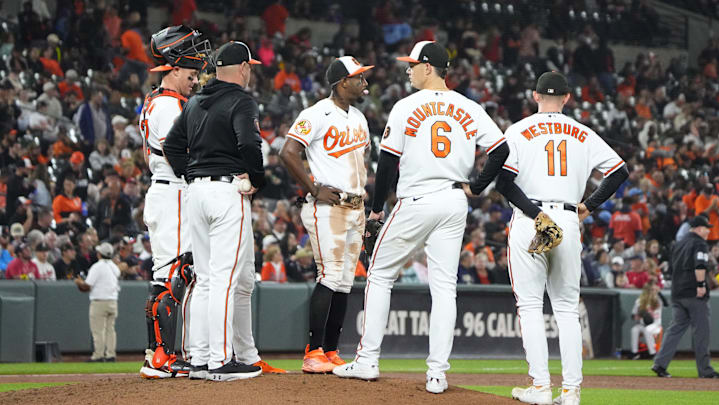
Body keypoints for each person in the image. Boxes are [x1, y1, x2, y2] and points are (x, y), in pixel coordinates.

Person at [333, 41, 516, 394]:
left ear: (428, 67)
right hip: (453, 199)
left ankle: (368, 360)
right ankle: (437, 374)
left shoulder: (406, 106)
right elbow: (501, 150)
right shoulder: (468, 106)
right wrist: (476, 187)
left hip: (417, 198)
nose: (408, 70)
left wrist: (376, 209)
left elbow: (387, 163)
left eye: (413, 65)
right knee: (445, 287)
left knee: (381, 273)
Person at [502, 72, 628, 405]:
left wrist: (534, 214)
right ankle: (571, 392)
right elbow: (619, 171)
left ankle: (541, 387)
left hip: (532, 217)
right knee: (567, 310)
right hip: (569, 218)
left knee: (530, 306)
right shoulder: (584, 133)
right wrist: (589, 205)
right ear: (568, 98)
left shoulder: (517, 130)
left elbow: (504, 182)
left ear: (535, 96)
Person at [164, 41, 284, 381]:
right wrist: (257, 178)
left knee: (205, 279)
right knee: (225, 279)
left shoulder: (196, 100)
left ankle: (201, 359)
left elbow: (171, 145)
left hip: (196, 193)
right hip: (226, 191)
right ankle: (221, 360)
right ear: (243, 68)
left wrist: (192, 173)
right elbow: (249, 143)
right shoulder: (241, 100)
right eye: (250, 67)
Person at [280, 55, 372, 373]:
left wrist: (367, 203)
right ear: (342, 82)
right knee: (330, 275)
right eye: (359, 78)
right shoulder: (317, 113)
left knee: (346, 281)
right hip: (328, 205)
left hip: (355, 205)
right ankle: (313, 350)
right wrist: (313, 186)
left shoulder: (360, 117)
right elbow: (288, 152)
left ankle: (331, 350)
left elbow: (361, 164)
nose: (365, 82)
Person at [137, 25, 209, 380]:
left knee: (172, 272)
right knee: (172, 273)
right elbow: (175, 151)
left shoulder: (166, 101)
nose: (195, 80)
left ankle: (162, 354)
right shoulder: (166, 104)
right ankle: (161, 356)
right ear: (174, 70)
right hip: (174, 191)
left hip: (171, 191)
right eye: (191, 74)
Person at [652, 215, 719, 378]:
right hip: (694, 292)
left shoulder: (679, 243)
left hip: (677, 292)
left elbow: (672, 267)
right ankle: (705, 370)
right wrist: (700, 285)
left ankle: (660, 364)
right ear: (698, 228)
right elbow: (700, 265)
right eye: (706, 228)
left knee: (675, 329)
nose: (707, 232)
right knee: (701, 331)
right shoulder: (699, 243)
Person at [74, 243, 120, 362]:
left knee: (98, 330)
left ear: (99, 254)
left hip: (99, 301)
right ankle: (110, 354)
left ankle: (98, 355)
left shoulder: (97, 267)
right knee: (110, 329)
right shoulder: (114, 267)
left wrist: (79, 283)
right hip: (113, 301)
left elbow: (87, 286)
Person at [630, 280, 663, 359]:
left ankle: (653, 353)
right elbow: (633, 315)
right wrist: (637, 316)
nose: (651, 292)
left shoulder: (657, 300)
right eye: (649, 290)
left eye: (652, 290)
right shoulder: (639, 301)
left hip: (656, 325)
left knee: (647, 330)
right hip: (642, 324)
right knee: (634, 330)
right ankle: (635, 353)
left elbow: (665, 304)